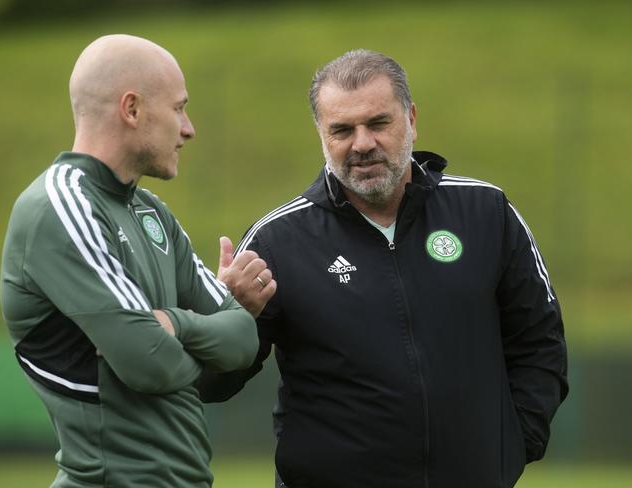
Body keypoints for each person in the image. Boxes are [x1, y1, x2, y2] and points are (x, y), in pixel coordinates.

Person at [199, 49, 569, 488]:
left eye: (378, 123)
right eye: (342, 130)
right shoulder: (276, 241)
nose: (362, 144)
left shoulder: (487, 211)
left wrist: (511, 445)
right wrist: (229, 320)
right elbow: (212, 385)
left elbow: (540, 341)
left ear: (410, 119)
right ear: (321, 134)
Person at [0, 34, 275, 487]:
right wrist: (194, 342)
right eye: (179, 108)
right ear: (132, 109)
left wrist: (174, 323)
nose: (189, 128)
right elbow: (150, 362)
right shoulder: (59, 206)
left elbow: (243, 338)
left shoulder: (151, 212)